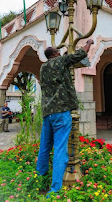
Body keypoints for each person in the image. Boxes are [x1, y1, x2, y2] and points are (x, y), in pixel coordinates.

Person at [36, 39, 94, 197]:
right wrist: (89, 42)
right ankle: (55, 190)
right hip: (61, 112)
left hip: (47, 112)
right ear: (55, 54)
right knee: (60, 150)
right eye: (58, 51)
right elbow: (81, 54)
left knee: (44, 147)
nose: (60, 52)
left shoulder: (43, 67)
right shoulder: (60, 60)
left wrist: (67, 54)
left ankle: (38, 179)